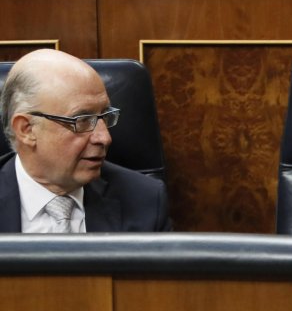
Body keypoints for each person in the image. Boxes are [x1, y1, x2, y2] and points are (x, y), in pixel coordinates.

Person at [0, 49, 171, 232]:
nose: (104, 138)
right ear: (26, 129)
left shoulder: (144, 200)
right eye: (81, 121)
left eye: (105, 116)